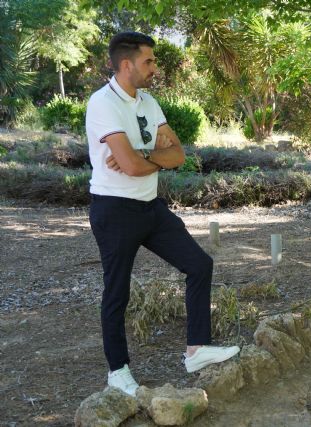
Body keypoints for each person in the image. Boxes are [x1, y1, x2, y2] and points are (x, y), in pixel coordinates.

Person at [86, 32, 239, 396]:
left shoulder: (148, 102)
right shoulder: (103, 103)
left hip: (150, 207)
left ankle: (196, 349)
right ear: (127, 65)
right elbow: (130, 166)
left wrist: (142, 156)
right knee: (117, 291)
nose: (155, 68)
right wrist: (146, 158)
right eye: (149, 61)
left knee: (199, 264)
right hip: (114, 209)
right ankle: (118, 370)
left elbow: (177, 155)